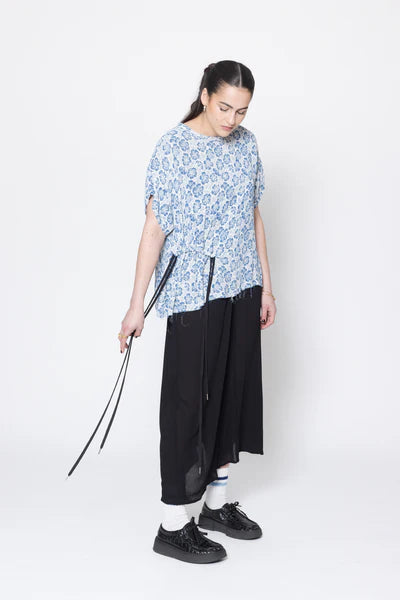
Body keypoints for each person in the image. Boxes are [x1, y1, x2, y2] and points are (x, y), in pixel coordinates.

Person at [119, 60, 276, 564]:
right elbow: (153, 228)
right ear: (205, 95)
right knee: (186, 403)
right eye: (224, 106)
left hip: (241, 285)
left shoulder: (247, 144)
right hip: (191, 290)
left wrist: (267, 287)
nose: (232, 119)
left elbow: (253, 216)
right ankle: (172, 524)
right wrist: (135, 307)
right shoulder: (173, 148)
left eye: (242, 110)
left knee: (231, 393)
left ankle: (215, 503)